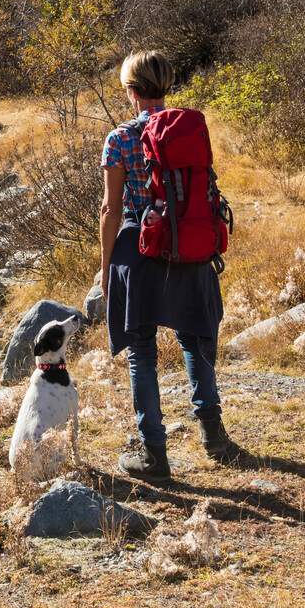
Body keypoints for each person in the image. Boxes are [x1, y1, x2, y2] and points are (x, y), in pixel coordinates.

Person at [98, 49, 243, 479]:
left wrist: (106, 268)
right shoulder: (190, 127)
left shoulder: (120, 139)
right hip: (191, 249)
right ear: (165, 86)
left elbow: (110, 209)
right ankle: (213, 435)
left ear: (130, 90)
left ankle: (154, 454)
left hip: (140, 252)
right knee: (196, 339)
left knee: (142, 351)